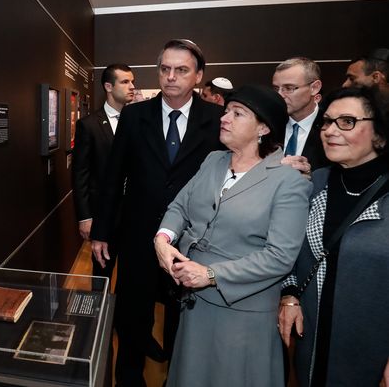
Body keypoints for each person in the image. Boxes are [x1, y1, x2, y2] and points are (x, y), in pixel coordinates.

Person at [154, 85, 311, 386]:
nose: (225, 118)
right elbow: (180, 206)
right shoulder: (213, 160)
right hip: (194, 306)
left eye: (238, 114)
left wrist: (210, 274)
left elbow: (280, 257)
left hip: (243, 316)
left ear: (263, 127)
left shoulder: (288, 181)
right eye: (227, 111)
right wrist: (163, 238)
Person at [91, 39, 225, 387]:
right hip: (138, 236)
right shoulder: (135, 115)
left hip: (194, 241)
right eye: (164, 69)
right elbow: (113, 175)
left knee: (183, 320)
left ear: (198, 76)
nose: (170, 77)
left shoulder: (216, 120)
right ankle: (129, 380)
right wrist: (102, 231)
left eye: (181, 70)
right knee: (133, 317)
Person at [278, 87, 389, 387]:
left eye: (347, 121)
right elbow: (288, 251)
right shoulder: (315, 183)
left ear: (379, 133)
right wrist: (289, 296)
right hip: (311, 348)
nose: (330, 131)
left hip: (372, 353)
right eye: (327, 122)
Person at [72, 63, 135, 280]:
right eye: (125, 82)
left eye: (132, 81)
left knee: (131, 277)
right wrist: (85, 217)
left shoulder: (138, 123)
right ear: (108, 86)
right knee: (102, 274)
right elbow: (80, 174)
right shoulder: (88, 125)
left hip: (133, 215)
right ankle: (98, 313)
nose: (132, 86)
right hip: (103, 216)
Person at [272, 57, 328, 171]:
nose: (279, 95)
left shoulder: (331, 127)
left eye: (288, 88)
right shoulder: (267, 124)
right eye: (276, 88)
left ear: (314, 88)